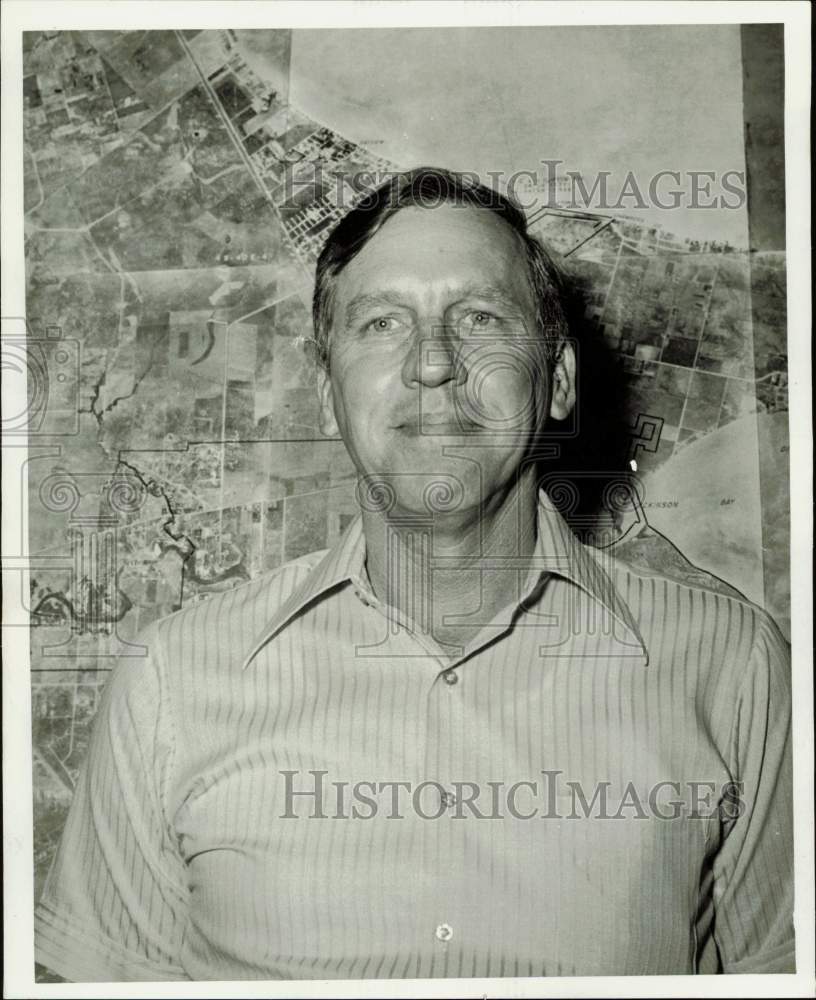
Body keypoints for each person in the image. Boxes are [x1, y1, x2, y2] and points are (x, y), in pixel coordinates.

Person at [34, 167, 794, 981]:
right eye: (381, 323)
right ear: (330, 394)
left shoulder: (733, 667)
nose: (434, 363)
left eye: (480, 317)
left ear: (560, 381)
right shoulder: (170, 683)